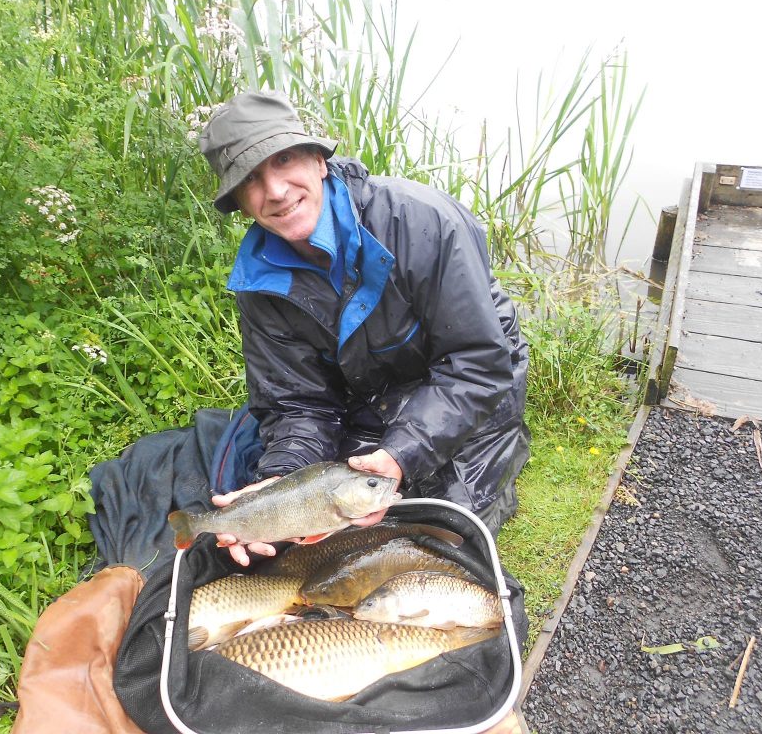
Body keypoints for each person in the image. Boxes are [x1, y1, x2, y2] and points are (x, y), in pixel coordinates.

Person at [198, 90, 530, 565]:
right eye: (251, 179)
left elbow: (477, 363)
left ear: (319, 161)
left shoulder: (422, 221)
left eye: (284, 160)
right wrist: (289, 480)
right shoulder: (257, 283)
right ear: (241, 203)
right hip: (373, 383)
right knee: (320, 516)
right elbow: (298, 403)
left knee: (439, 525)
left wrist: (402, 452)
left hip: (474, 369)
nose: (274, 191)